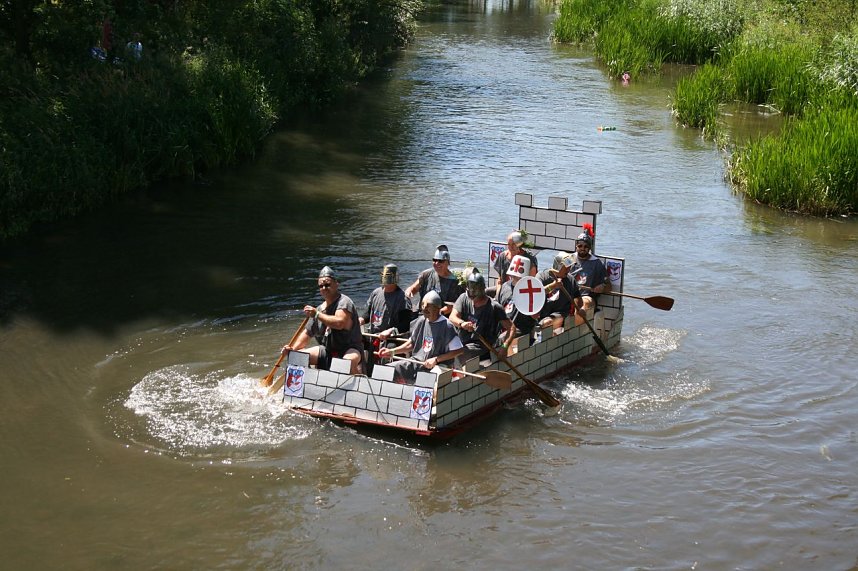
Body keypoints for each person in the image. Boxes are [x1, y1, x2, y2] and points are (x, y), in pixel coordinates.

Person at [282, 266, 364, 374]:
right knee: (296, 357)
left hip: (350, 349)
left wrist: (317, 314)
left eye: (327, 285)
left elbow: (339, 323)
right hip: (327, 350)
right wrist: (291, 350)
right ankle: (307, 384)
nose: (324, 288)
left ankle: (358, 382)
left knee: (345, 363)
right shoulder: (320, 309)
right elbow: (307, 333)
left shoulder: (344, 302)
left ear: (336, 284)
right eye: (321, 286)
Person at [378, 291, 463, 384]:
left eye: (428, 306)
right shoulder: (421, 321)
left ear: (437, 308)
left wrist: (436, 359)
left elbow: (458, 350)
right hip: (417, 361)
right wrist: (392, 351)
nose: (424, 309)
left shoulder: (447, 326)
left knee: (429, 380)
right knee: (388, 370)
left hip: (439, 365)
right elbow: (411, 343)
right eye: (423, 305)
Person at [449, 268, 515, 362]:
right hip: (461, 342)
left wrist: (504, 347)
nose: (472, 298)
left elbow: (512, 328)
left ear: (482, 290)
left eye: (475, 295)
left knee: (461, 353)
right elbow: (452, 317)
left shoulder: (494, 307)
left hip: (482, 347)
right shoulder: (463, 298)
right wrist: (462, 323)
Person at [359, 263, 412, 374]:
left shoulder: (403, 299)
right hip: (374, 335)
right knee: (357, 342)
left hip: (392, 339)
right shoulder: (376, 293)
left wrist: (391, 331)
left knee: (389, 351)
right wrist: (360, 320)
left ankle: (386, 377)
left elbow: (405, 324)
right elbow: (368, 313)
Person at [404, 245, 464, 317]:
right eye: (434, 260)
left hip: (441, 317)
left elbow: (454, 304)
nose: (437, 263)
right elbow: (414, 288)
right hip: (422, 313)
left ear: (447, 262)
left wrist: (438, 313)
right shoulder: (426, 274)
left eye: (440, 261)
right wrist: (409, 292)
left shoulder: (455, 282)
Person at [536, 252, 585, 331]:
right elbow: (536, 293)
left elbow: (577, 298)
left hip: (560, 314)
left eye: (570, 267)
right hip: (541, 312)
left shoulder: (570, 280)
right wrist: (553, 286)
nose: (569, 269)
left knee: (547, 322)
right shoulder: (542, 276)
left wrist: (579, 308)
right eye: (566, 267)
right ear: (559, 266)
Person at [570, 224, 610, 312]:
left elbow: (608, 287)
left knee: (583, 303)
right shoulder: (569, 259)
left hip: (587, 297)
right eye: (580, 246)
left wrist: (602, 287)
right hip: (569, 295)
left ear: (589, 248)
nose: (583, 249)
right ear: (576, 246)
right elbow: (560, 275)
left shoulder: (597, 263)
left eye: (586, 246)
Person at [495, 255, 538, 338]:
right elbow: (497, 305)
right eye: (513, 275)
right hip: (504, 324)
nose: (514, 277)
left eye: (517, 276)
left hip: (522, 328)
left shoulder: (531, 289)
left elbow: (535, 315)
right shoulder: (505, 286)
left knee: (503, 337)